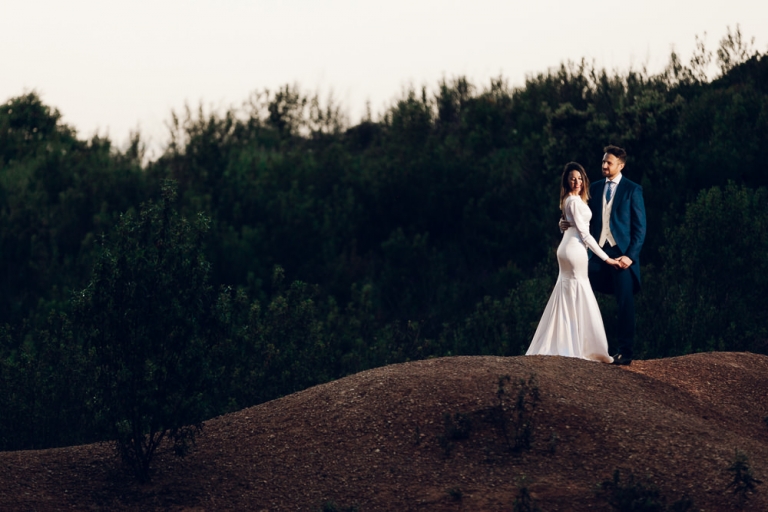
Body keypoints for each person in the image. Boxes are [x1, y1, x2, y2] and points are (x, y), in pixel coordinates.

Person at [560, 145, 647, 365]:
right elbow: (578, 214)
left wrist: (630, 256)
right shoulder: (594, 188)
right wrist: (563, 223)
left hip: (622, 255)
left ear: (621, 165)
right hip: (595, 254)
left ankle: (625, 352)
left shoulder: (632, 190)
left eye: (609, 162)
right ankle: (574, 344)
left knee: (625, 301)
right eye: (603, 162)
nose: (604, 165)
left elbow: (640, 229)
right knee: (575, 286)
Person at [526, 162, 621, 363]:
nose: (577, 182)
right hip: (574, 251)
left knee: (568, 293)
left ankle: (569, 342)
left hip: (569, 247)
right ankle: (576, 346)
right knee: (579, 291)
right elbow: (584, 234)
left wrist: (561, 226)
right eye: (572, 178)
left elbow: (568, 223)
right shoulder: (574, 202)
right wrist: (606, 258)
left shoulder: (572, 200)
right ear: (567, 182)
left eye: (579, 178)